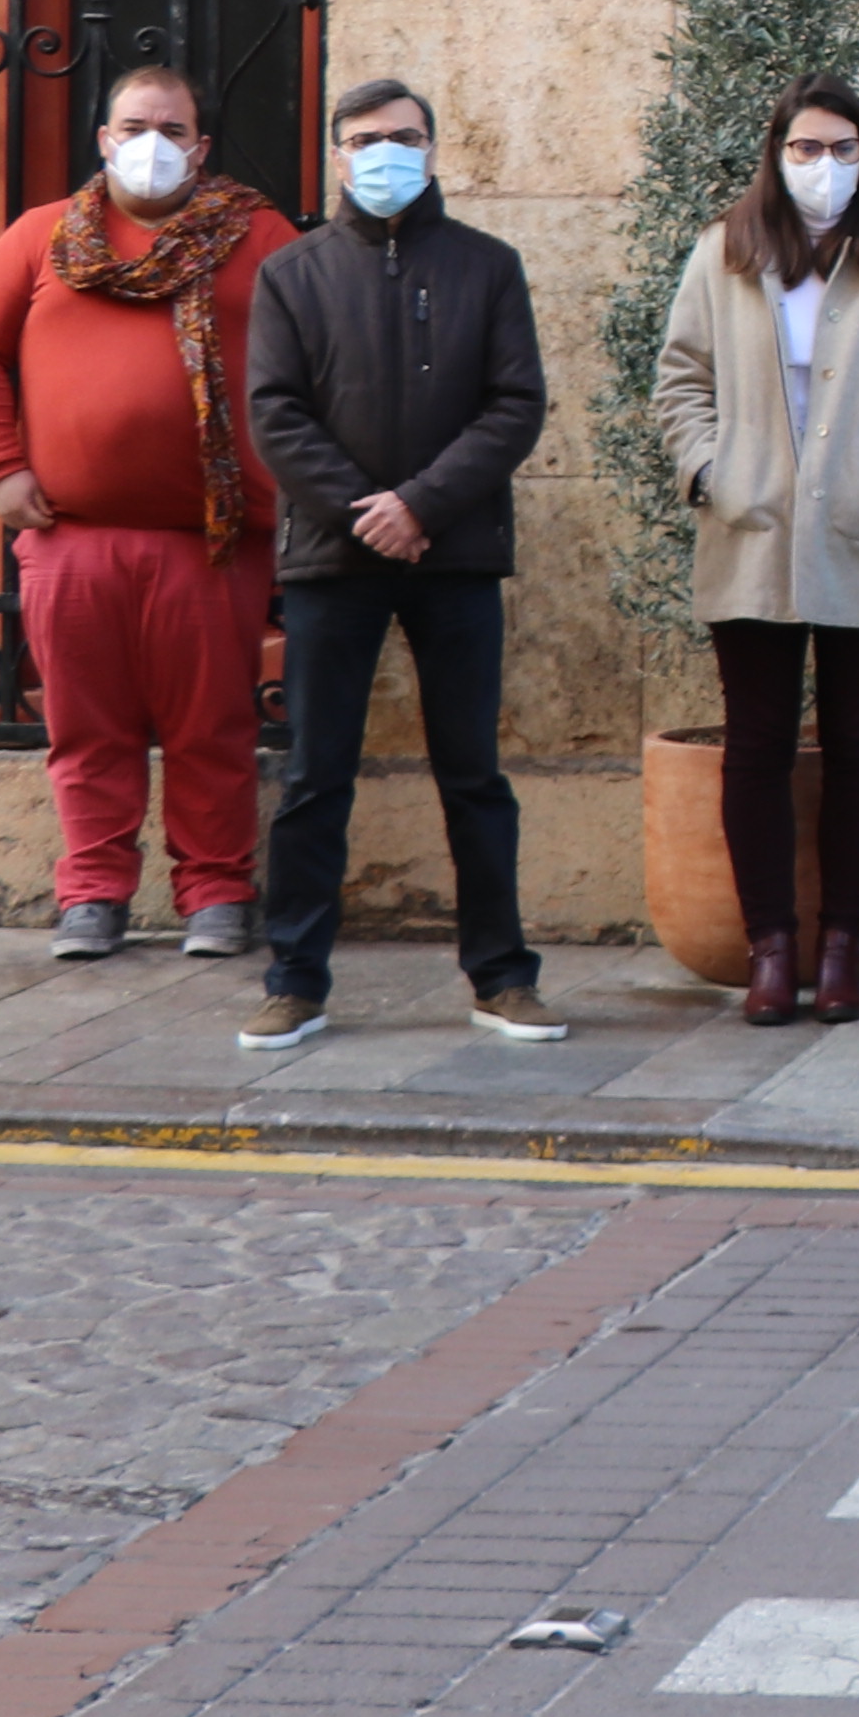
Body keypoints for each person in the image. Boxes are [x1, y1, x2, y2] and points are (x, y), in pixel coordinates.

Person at [645, 74, 859, 1029]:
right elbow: (681, 377)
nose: (824, 166)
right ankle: (768, 948)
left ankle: (842, 947)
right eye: (805, 148)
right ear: (776, 153)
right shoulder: (727, 248)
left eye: (842, 149)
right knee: (754, 744)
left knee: (857, 742)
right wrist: (710, 469)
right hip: (751, 527)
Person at [0, 63, 292, 962]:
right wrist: (1, 468)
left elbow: (314, 356)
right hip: (71, 536)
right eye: (135, 127)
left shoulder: (258, 236)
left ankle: (216, 892)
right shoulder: (41, 237)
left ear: (201, 148)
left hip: (211, 540)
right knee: (86, 726)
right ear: (103, 140)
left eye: (172, 130)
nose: (152, 144)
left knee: (213, 726)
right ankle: (93, 893)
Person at [239, 80, 557, 1048]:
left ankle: (501, 976)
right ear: (338, 155)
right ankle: (295, 980)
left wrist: (421, 503)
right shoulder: (292, 274)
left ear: (433, 149)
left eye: (406, 137)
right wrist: (365, 512)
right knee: (315, 777)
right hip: (331, 561)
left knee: (474, 775)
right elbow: (274, 413)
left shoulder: (487, 266)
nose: (387, 153)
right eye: (367, 138)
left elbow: (515, 403)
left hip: (456, 554)